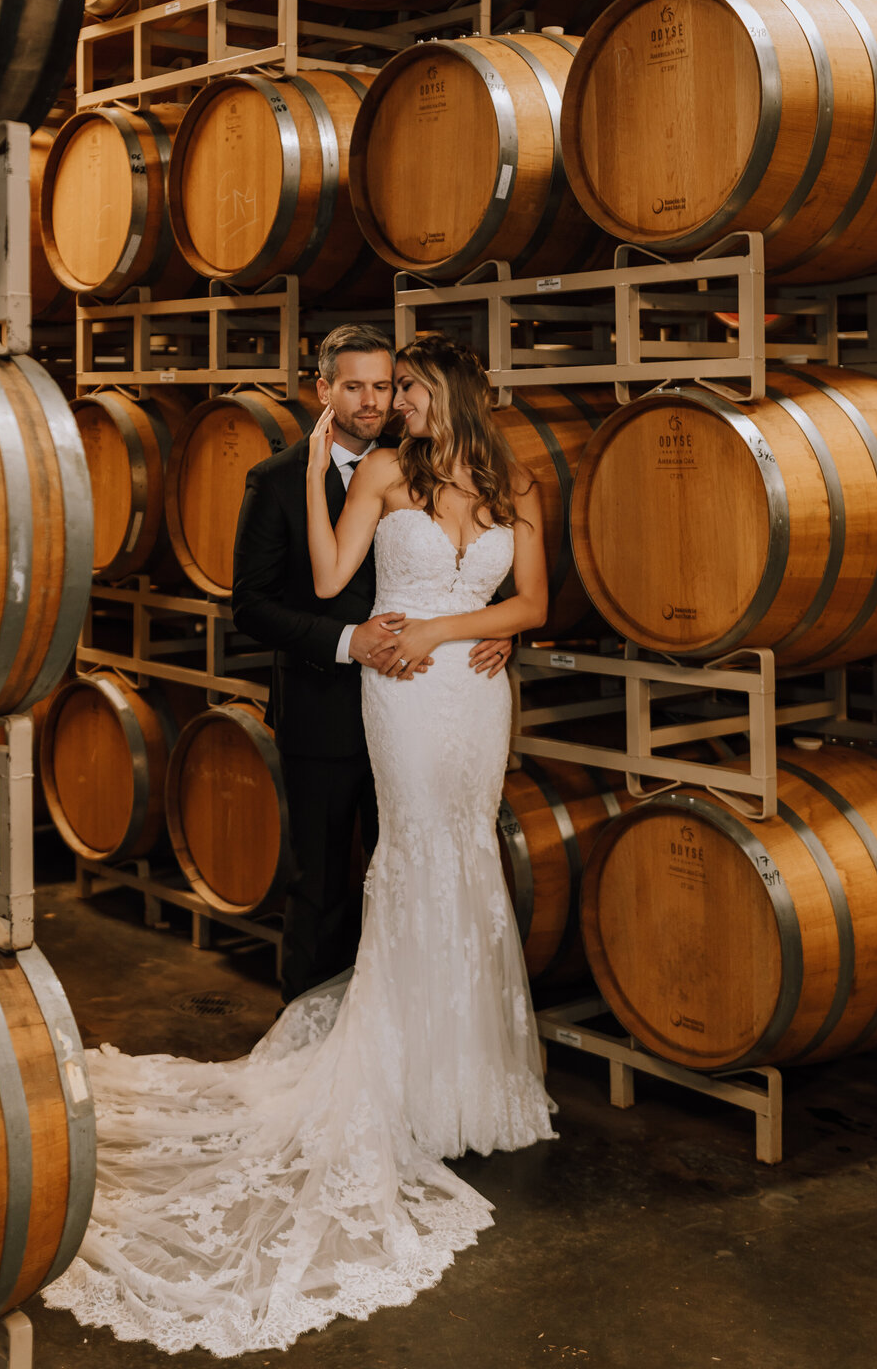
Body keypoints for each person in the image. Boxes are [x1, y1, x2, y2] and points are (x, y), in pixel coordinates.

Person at [43, 333, 555, 1358]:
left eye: (404, 386)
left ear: (446, 393)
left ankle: (474, 1076)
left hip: (471, 693)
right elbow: (324, 575)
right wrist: (334, 481)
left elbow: (534, 602)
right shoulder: (374, 468)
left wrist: (465, 630)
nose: (389, 402)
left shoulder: (518, 481)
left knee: (469, 857)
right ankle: (398, 1077)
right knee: (407, 860)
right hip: (395, 700)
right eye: (374, 388)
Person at [231, 322, 511, 1003]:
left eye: (384, 385)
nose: (372, 400)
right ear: (321, 388)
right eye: (353, 386)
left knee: (420, 878)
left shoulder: (419, 462)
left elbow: (472, 572)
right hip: (327, 711)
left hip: (427, 710)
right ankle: (312, 1037)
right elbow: (251, 606)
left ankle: (411, 1032)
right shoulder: (274, 481)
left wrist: (498, 633)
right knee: (322, 885)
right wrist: (345, 640)